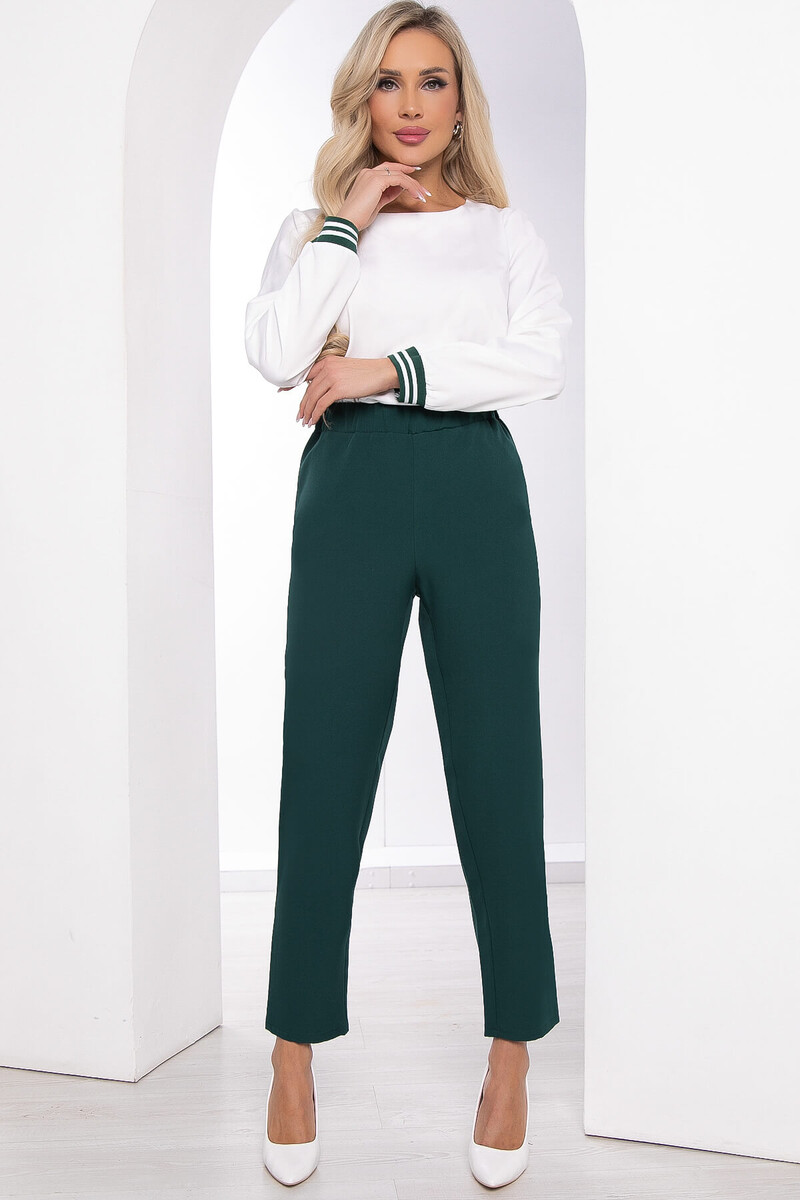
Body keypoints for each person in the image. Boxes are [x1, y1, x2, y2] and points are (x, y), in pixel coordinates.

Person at [243, 1, 572, 1187]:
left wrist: (385, 366)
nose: (413, 104)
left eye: (434, 81)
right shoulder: (313, 228)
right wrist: (346, 223)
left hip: (476, 485)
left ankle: (510, 1053)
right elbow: (276, 352)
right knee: (322, 765)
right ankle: (292, 1050)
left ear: (459, 100)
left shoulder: (501, 233)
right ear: (361, 99)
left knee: (498, 769)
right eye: (389, 82)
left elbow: (538, 357)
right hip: (352, 489)